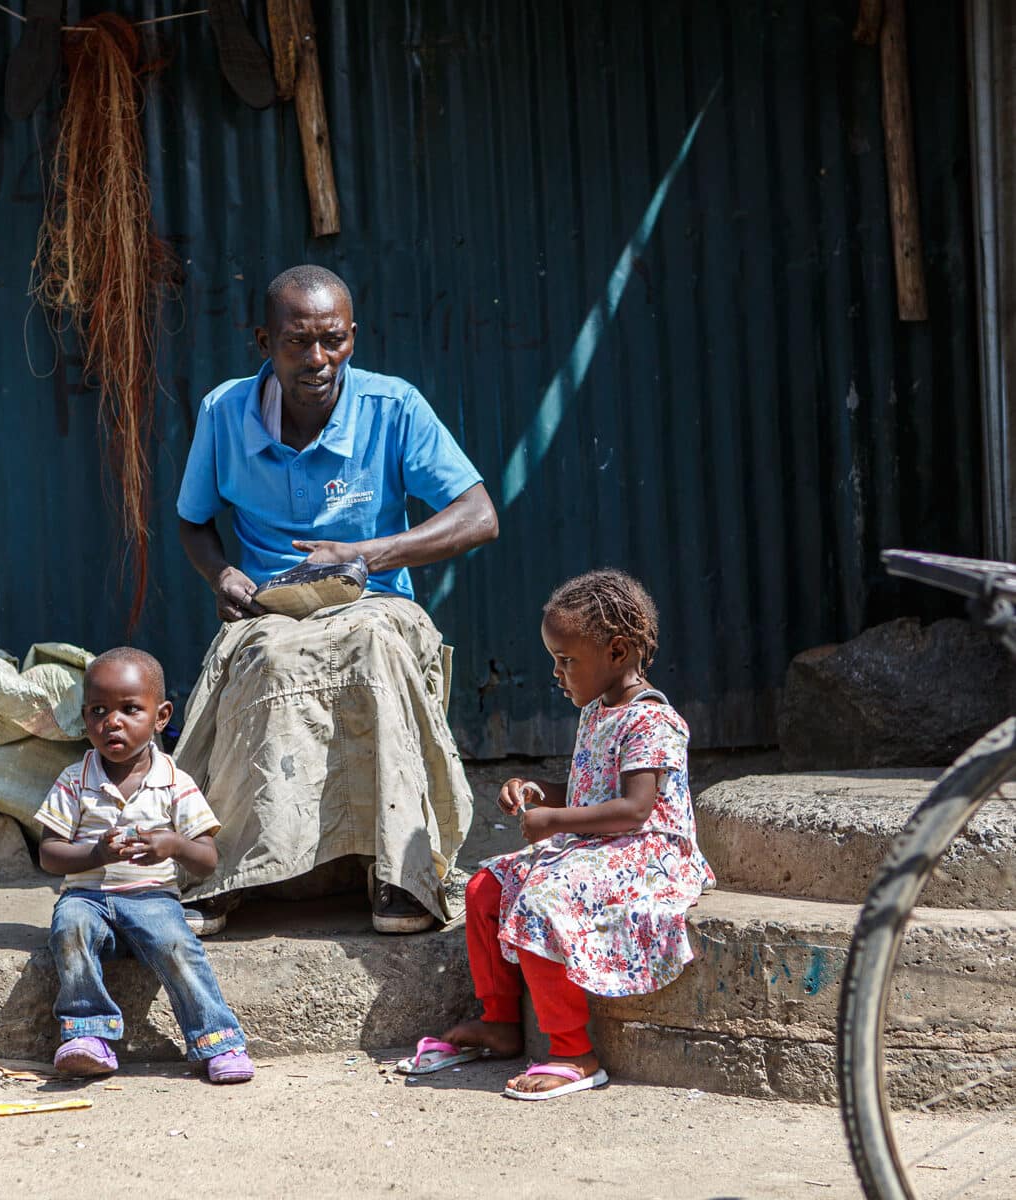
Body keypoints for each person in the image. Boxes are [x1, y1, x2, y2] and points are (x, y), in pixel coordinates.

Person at [174, 264, 499, 935]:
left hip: (376, 599)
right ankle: (224, 869)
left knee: (373, 646)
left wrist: (368, 556)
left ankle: (401, 873)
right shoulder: (224, 412)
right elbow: (192, 521)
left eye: (335, 340)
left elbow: (479, 514)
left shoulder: (393, 406)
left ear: (353, 337)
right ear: (264, 340)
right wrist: (222, 577)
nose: (319, 359)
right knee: (261, 654)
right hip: (272, 606)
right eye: (298, 342)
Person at [397, 569, 715, 1100]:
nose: (557, 673)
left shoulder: (652, 720)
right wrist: (539, 792)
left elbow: (636, 809)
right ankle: (500, 1020)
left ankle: (574, 1051)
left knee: (542, 901)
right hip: (600, 843)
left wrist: (554, 823)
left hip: (648, 853)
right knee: (485, 888)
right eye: (554, 659)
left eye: (567, 660)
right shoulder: (597, 709)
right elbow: (590, 789)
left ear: (616, 651)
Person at [35, 647, 254, 1084]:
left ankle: (218, 1040)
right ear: (85, 719)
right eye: (98, 711)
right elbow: (49, 853)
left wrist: (172, 844)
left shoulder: (176, 782)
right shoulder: (73, 781)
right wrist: (95, 854)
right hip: (88, 898)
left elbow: (208, 859)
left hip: (152, 898)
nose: (112, 722)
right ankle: (87, 1034)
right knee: (69, 927)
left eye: (130, 709)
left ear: (161, 716)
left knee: (178, 944)